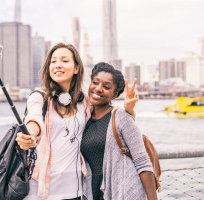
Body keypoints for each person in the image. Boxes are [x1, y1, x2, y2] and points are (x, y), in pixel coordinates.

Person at [15, 43, 137, 200]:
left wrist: (129, 109)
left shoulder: (85, 101)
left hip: (76, 191)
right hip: (40, 192)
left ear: (76, 68)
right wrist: (29, 135)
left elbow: (113, 119)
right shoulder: (39, 97)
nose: (58, 65)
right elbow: (34, 118)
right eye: (53, 61)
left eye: (64, 61)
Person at [80, 62, 157, 200]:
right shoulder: (84, 119)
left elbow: (143, 161)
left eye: (106, 86)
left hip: (123, 193)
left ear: (114, 94)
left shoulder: (121, 117)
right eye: (95, 82)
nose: (98, 89)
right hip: (94, 193)